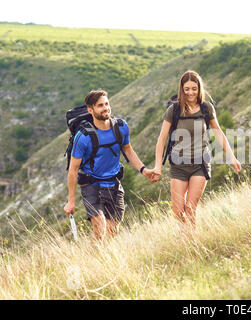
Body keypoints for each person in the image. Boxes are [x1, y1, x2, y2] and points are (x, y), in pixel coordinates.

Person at [149, 70, 241, 227]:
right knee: (178, 212)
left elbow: (218, 132)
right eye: (187, 89)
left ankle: (191, 243)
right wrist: (158, 165)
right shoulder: (174, 110)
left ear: (199, 89)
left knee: (191, 209)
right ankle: (187, 239)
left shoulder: (206, 108)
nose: (190, 92)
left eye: (194, 88)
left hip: (200, 164)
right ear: (181, 90)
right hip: (178, 165)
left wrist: (231, 156)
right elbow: (161, 139)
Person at [63, 89, 154, 240]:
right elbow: (73, 169)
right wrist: (71, 201)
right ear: (90, 110)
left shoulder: (120, 127)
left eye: (107, 104)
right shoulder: (83, 136)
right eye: (100, 105)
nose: (105, 108)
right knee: (100, 230)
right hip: (91, 185)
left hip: (113, 184)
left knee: (113, 232)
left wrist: (144, 170)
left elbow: (128, 151)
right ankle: (91, 261)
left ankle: (104, 261)